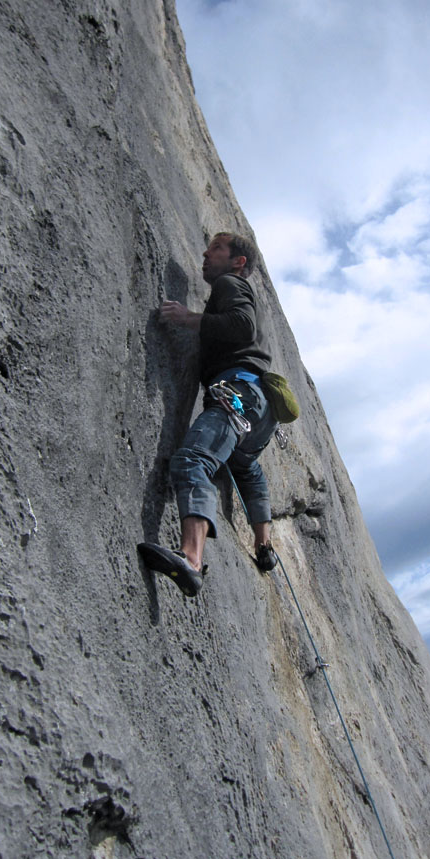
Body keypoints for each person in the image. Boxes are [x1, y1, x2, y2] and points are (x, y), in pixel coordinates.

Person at [138, 232, 279, 596]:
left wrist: (189, 318)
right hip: (260, 411)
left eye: (216, 247)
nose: (205, 252)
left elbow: (241, 325)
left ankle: (191, 560)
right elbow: (249, 474)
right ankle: (265, 546)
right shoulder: (237, 288)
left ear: (238, 262)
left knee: (191, 460)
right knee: (244, 467)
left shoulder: (230, 283)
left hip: (238, 393)